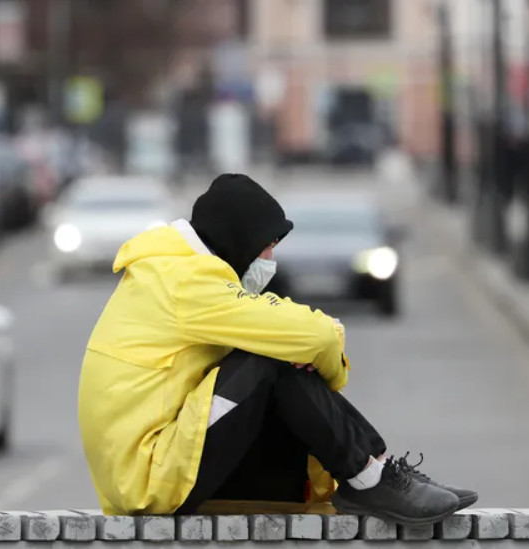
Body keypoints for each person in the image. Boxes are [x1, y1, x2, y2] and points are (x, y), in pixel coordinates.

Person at [78, 174, 478, 524]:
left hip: (151, 467)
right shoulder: (182, 281)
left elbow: (293, 332)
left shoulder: (177, 273)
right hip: (148, 481)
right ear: (239, 239)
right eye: (267, 246)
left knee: (276, 349)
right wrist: (322, 354)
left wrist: (300, 344)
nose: (270, 258)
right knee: (271, 358)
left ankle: (379, 470)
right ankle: (370, 478)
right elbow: (316, 339)